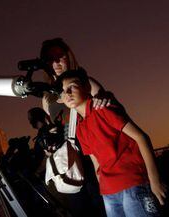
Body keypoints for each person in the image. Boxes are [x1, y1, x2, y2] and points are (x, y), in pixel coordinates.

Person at [56, 69, 167, 217]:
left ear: (86, 88)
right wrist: (103, 189)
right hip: (109, 193)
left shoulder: (103, 109)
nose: (67, 93)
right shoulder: (79, 128)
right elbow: (96, 162)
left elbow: (141, 137)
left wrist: (155, 181)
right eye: (63, 91)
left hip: (132, 184)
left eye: (72, 86)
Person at [38, 38, 108, 217]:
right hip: (69, 161)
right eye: (49, 58)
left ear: (68, 57)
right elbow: (52, 127)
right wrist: (49, 146)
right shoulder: (47, 96)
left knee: (103, 206)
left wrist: (103, 99)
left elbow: (108, 105)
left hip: (92, 155)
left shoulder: (86, 83)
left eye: (59, 56)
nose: (55, 62)